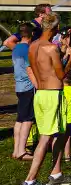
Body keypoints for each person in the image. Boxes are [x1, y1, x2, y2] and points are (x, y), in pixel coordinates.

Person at [21, 12, 71, 185]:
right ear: (54, 28)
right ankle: (30, 181)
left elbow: (35, 67)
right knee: (46, 137)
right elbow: (61, 75)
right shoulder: (51, 48)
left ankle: (56, 173)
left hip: (40, 93)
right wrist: (70, 56)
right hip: (52, 95)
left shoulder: (32, 46)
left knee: (61, 133)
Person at [11, 24, 36, 161]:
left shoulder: (16, 48)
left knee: (20, 119)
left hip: (19, 87)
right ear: (31, 34)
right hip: (28, 87)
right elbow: (30, 70)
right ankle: (21, 151)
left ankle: (16, 150)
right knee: (27, 120)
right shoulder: (28, 49)